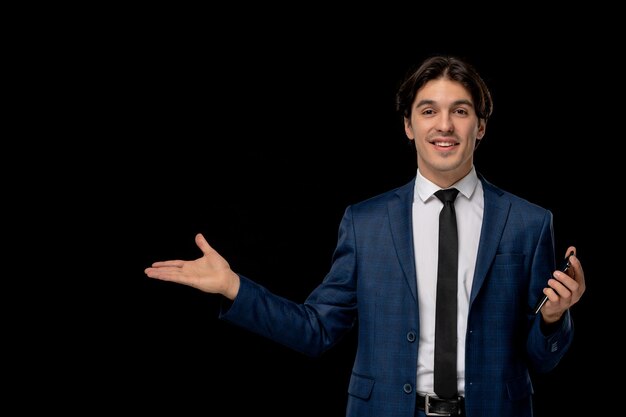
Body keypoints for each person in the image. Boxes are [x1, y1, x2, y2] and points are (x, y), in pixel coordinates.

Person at [144, 55, 586, 417]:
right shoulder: (366, 222)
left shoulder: (529, 223)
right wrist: (232, 287)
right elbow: (316, 330)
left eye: (461, 111)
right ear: (409, 127)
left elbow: (541, 358)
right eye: (428, 110)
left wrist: (553, 318)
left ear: (480, 126)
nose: (444, 125)